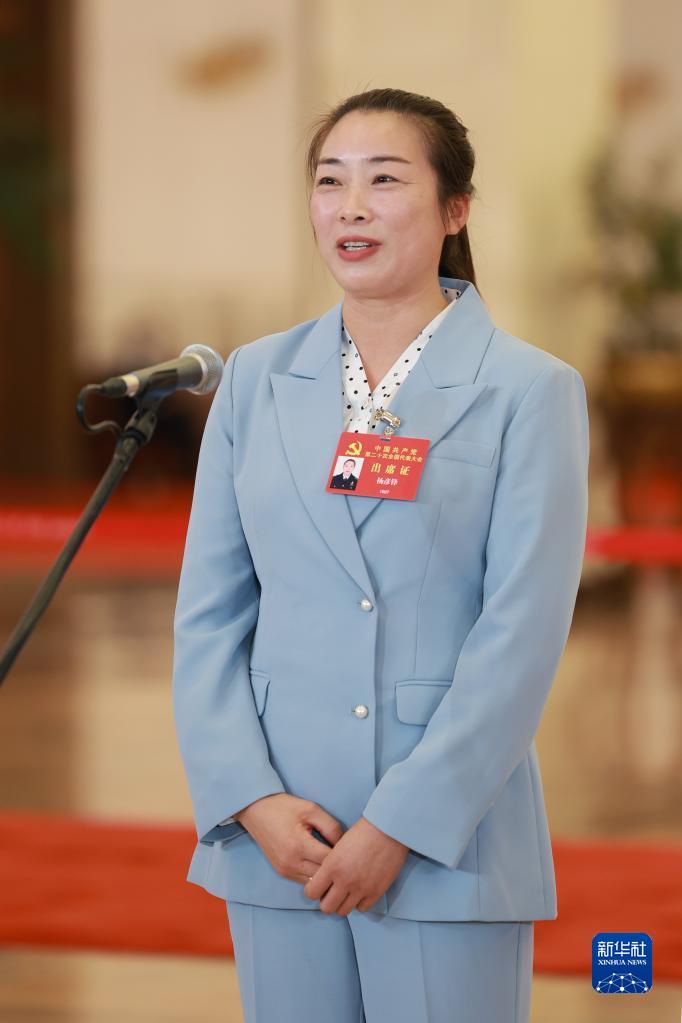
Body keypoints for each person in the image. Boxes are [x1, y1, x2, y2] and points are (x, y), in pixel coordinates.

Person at [172, 87, 589, 1023]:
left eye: (385, 180)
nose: (350, 207)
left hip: (447, 837)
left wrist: (402, 822)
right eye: (330, 182)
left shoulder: (529, 390)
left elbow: (521, 635)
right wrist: (250, 798)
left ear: (455, 209)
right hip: (282, 837)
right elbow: (208, 617)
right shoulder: (255, 379)